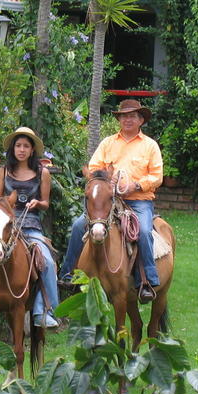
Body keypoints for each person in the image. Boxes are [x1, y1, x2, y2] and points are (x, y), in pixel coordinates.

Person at [59, 99, 163, 302]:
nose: (127, 119)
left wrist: (136, 185)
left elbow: (157, 176)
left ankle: (147, 280)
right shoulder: (108, 143)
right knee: (80, 225)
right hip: (109, 200)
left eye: (132, 116)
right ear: (119, 119)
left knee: (142, 230)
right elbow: (94, 167)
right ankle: (67, 274)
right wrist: (107, 180)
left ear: (141, 120)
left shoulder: (150, 146)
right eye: (124, 116)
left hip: (138, 201)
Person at [0, 126, 60, 328]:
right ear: (13, 149)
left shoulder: (43, 173)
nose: (22, 149)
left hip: (30, 224)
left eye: (26, 146)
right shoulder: (4, 171)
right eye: (18, 145)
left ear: (32, 150)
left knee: (47, 262)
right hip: (4, 225)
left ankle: (45, 311)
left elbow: (46, 203)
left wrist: (37, 204)